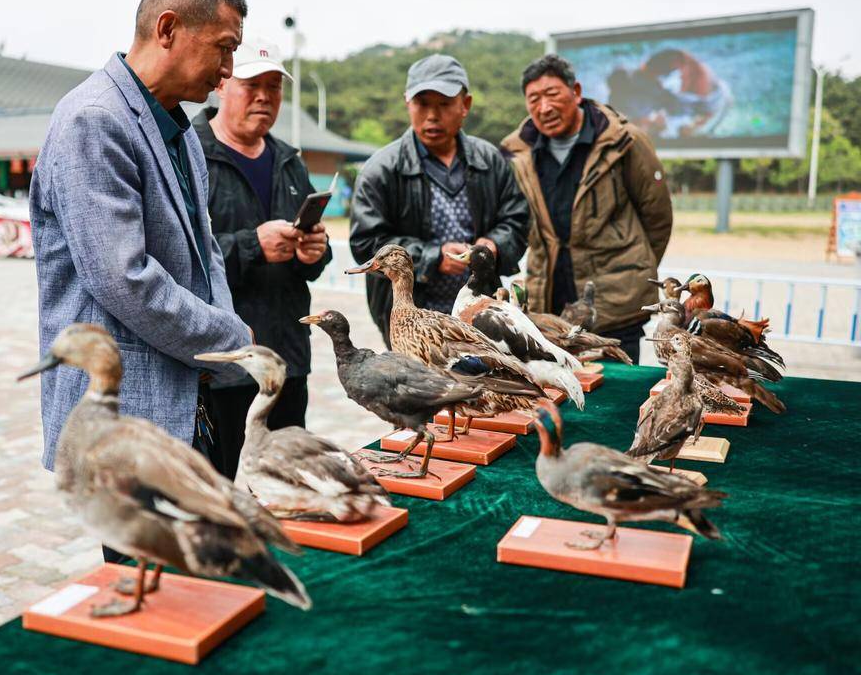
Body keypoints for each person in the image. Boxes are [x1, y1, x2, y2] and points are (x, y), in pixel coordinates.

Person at [29, 0, 253, 562]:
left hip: (192, 399)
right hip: (131, 417)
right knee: (154, 595)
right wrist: (232, 342)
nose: (229, 71)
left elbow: (207, 255)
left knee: (206, 579)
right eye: (224, 48)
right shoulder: (93, 120)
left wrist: (226, 346)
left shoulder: (179, 131)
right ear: (169, 28)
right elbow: (123, 279)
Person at [192, 38, 331, 479]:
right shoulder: (190, 153)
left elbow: (308, 268)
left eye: (274, 87)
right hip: (225, 367)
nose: (264, 97)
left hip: (287, 360)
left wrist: (313, 254)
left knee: (288, 484)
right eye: (252, 84)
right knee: (227, 492)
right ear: (222, 83)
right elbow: (182, 260)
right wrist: (253, 245)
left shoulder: (289, 160)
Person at [501, 53, 672, 362]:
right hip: (550, 303)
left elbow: (657, 218)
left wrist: (630, 270)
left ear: (576, 92)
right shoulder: (517, 151)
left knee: (615, 397)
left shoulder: (625, 141)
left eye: (552, 94)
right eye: (534, 99)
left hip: (614, 308)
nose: (544, 107)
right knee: (557, 396)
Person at [349, 54, 530, 344]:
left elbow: (517, 220)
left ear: (465, 105)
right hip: (413, 325)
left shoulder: (491, 161)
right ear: (408, 103)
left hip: (479, 314)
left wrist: (493, 246)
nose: (432, 115)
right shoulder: (380, 170)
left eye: (444, 104)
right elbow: (366, 244)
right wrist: (433, 259)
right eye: (422, 104)